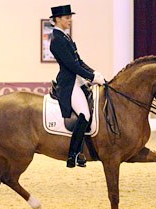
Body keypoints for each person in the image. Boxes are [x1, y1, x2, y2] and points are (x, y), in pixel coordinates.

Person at [49, 4, 105, 168]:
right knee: (85, 114)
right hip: (69, 83)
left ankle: (82, 151)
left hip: (78, 80)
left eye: (70, 17)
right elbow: (71, 66)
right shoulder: (57, 40)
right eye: (67, 18)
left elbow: (79, 61)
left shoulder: (66, 37)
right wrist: (91, 76)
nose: (70, 20)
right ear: (58, 19)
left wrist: (95, 73)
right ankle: (73, 154)